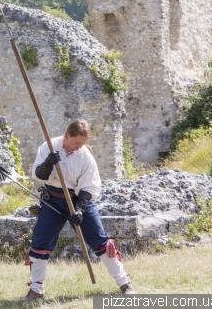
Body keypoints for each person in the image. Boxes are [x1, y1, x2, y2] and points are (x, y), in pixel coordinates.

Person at [19, 119, 135, 302]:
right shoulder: (47, 147)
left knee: (101, 241)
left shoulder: (85, 155)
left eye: (83, 143)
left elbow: (90, 186)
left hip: (79, 199)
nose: (79, 146)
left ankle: (124, 283)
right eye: (77, 142)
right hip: (52, 200)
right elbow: (40, 175)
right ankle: (36, 291)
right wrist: (49, 163)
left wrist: (80, 209)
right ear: (67, 135)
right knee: (39, 244)